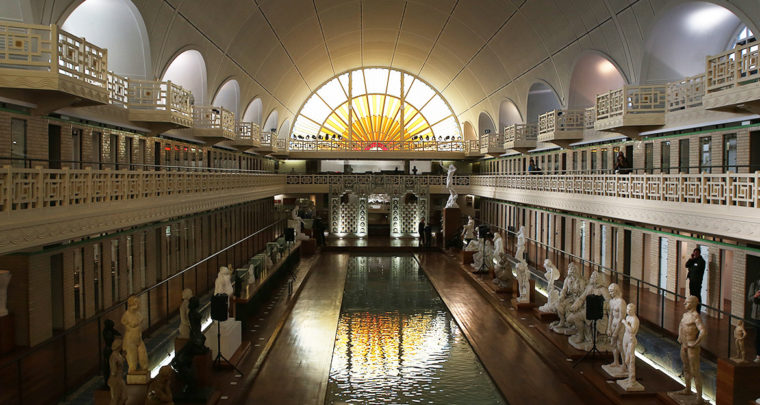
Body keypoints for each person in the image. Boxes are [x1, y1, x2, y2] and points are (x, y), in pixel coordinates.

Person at [677, 296, 705, 399]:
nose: (684, 303)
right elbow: (681, 326)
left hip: (691, 345)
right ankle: (687, 389)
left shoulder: (696, 316)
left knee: (695, 371)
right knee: (686, 368)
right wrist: (680, 337)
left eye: (687, 302)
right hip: (684, 344)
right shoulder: (685, 315)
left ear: (693, 304)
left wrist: (696, 342)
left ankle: (699, 397)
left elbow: (703, 331)